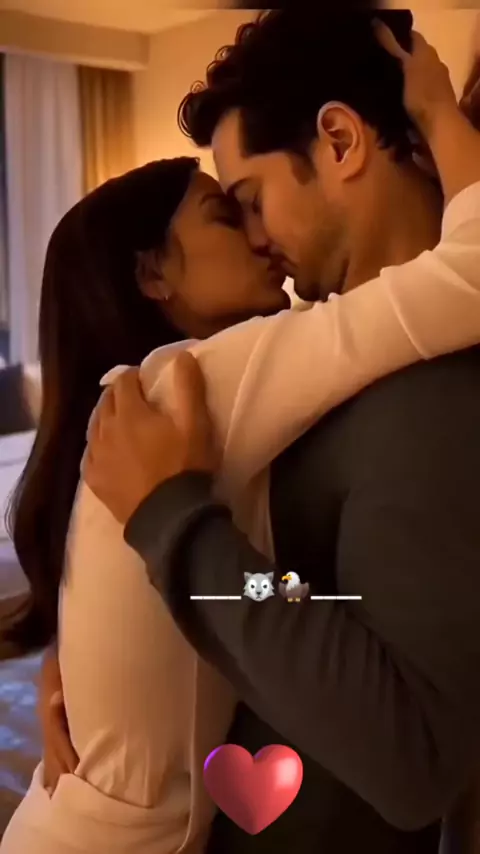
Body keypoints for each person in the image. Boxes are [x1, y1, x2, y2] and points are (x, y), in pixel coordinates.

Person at [64, 10, 480, 854]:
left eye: (251, 201)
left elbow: (414, 760)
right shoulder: (312, 363)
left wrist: (179, 532)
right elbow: (302, 597)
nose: (257, 240)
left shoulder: (428, 399)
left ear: (339, 141)